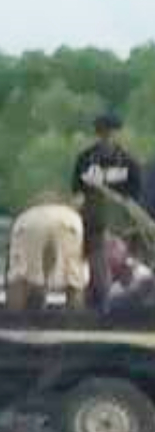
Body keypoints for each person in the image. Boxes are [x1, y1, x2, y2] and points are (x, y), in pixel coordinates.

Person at [77, 113, 147, 310]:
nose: (106, 137)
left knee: (127, 264)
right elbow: (78, 192)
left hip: (123, 222)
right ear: (97, 134)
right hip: (94, 221)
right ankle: (99, 301)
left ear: (118, 134)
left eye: (110, 133)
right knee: (97, 263)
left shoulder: (129, 161)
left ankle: (123, 301)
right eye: (102, 133)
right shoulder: (86, 159)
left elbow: (136, 197)